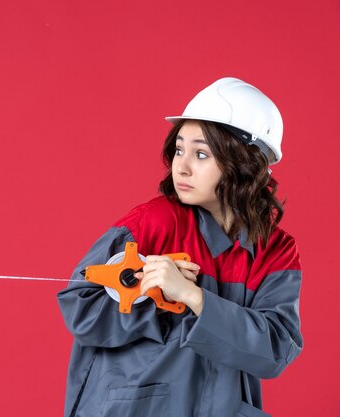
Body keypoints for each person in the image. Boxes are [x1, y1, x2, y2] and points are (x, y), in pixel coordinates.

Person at [57, 77, 302, 417]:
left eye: (201, 154)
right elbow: (81, 311)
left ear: (247, 165)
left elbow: (275, 352)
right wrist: (155, 298)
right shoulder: (152, 223)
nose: (181, 167)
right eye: (179, 149)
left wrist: (193, 297)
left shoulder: (274, 251)